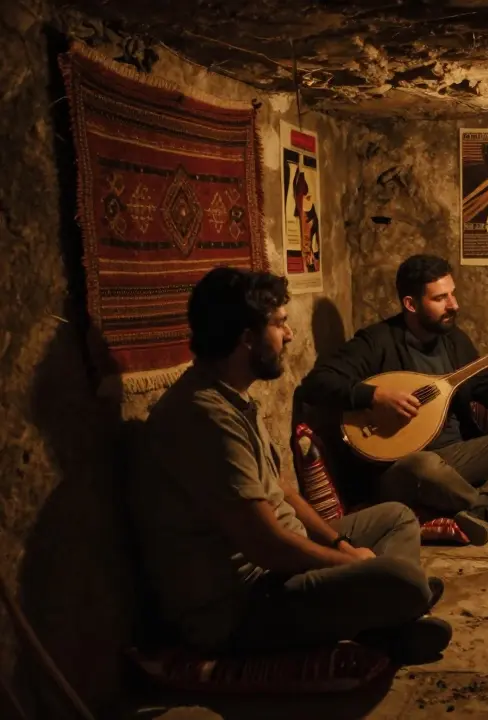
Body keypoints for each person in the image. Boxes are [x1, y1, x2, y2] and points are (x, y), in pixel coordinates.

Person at [130, 267, 450, 664]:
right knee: (402, 579)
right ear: (247, 338)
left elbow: (281, 492)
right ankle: (392, 614)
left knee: (396, 519)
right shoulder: (205, 418)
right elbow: (268, 547)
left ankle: (387, 618)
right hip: (244, 605)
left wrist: (340, 543)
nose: (290, 336)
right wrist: (353, 563)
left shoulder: (232, 398)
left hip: (282, 563)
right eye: (280, 324)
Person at [298, 254, 488, 546]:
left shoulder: (454, 341)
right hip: (401, 467)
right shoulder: (377, 342)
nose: (454, 305)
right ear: (411, 304)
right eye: (440, 298)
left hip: (458, 456)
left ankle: (485, 510)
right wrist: (376, 395)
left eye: (452, 294)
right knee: (425, 465)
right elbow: (315, 385)